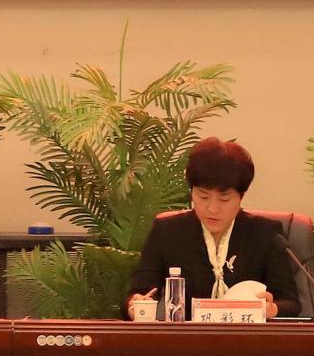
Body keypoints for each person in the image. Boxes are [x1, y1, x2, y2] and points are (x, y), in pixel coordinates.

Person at [125, 137, 300, 320]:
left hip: (248, 336)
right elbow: (139, 292)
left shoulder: (265, 234)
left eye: (224, 199)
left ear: (241, 196)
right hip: (187, 337)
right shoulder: (167, 232)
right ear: (192, 191)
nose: (212, 209)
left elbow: (290, 303)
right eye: (203, 197)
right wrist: (135, 304)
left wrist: (272, 309)